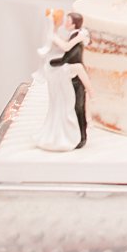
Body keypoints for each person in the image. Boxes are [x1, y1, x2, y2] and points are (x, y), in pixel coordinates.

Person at [36, 11, 88, 152]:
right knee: (67, 104)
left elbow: (66, 49)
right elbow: (65, 48)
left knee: (69, 104)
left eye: (67, 20)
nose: (65, 23)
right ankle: (71, 135)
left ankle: (76, 135)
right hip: (63, 73)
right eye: (63, 20)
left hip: (65, 72)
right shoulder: (56, 36)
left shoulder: (70, 35)